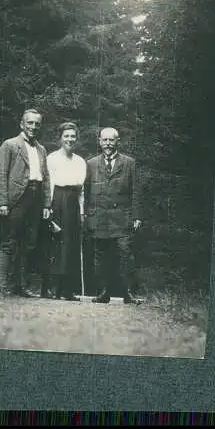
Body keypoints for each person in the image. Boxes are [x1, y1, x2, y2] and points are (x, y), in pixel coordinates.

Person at [0, 109, 51, 297]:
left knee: (29, 244)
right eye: (30, 123)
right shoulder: (10, 145)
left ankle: (20, 286)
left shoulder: (41, 149)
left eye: (37, 124)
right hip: (15, 199)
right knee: (9, 242)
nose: (33, 127)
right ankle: (2, 287)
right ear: (22, 124)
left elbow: (46, 178)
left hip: (35, 199)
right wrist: (2, 202)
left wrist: (47, 204)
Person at [84, 127, 142, 305]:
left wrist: (136, 216)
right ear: (99, 141)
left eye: (111, 140)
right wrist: (86, 215)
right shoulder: (91, 164)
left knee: (125, 254)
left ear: (118, 142)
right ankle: (103, 292)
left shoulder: (129, 163)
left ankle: (128, 293)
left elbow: (136, 191)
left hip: (122, 218)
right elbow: (85, 192)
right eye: (105, 140)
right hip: (99, 217)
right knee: (100, 256)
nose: (108, 144)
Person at [44, 122, 87, 301]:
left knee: (70, 245)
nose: (70, 139)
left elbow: (82, 190)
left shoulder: (80, 161)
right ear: (60, 138)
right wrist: (48, 207)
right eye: (66, 136)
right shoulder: (52, 158)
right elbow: (49, 185)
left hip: (73, 203)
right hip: (56, 200)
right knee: (56, 243)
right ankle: (52, 288)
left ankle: (67, 289)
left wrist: (82, 212)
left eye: (73, 136)